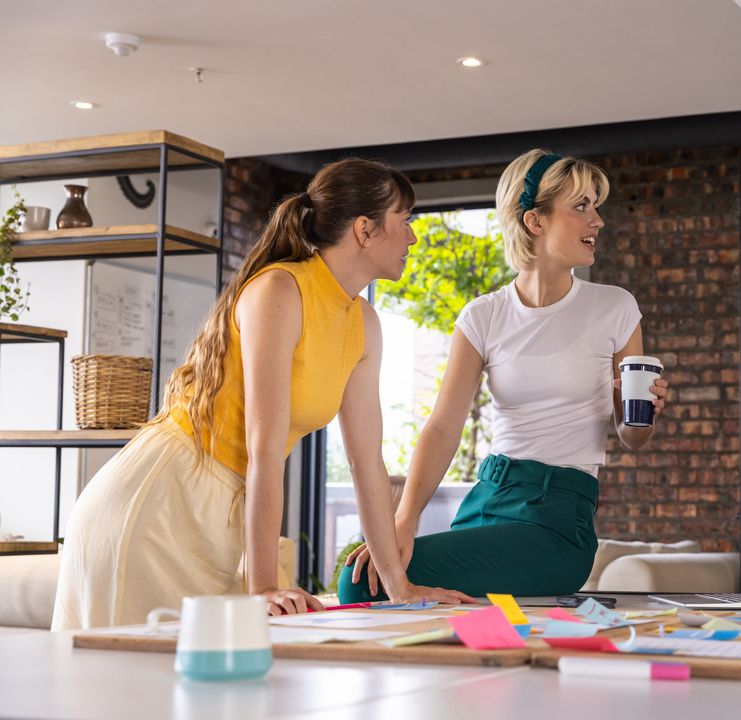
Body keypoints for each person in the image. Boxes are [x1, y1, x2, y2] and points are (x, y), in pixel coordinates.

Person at [53, 158, 471, 631]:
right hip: (159, 506)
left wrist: (401, 588)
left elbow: (366, 464)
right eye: (405, 221)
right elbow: (265, 448)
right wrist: (264, 587)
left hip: (221, 519)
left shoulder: (363, 324)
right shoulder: (280, 289)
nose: (413, 237)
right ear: (364, 229)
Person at [337, 149, 669, 601]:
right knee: (363, 576)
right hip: (490, 494)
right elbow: (443, 426)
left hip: (557, 518)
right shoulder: (484, 316)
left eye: (596, 206)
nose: (598, 221)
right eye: (581, 206)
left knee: (358, 587)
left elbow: (633, 436)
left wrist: (634, 411)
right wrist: (404, 519)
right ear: (535, 221)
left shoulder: (615, 307)